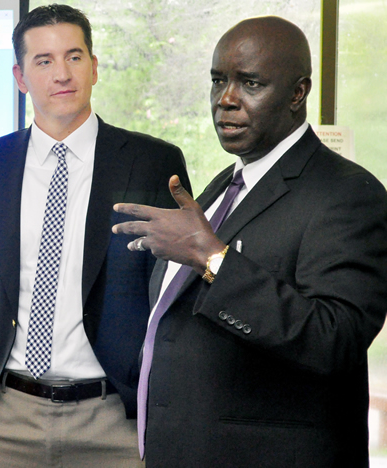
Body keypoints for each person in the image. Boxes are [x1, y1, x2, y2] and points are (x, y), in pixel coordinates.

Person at [112, 16, 387, 467]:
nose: (226, 100)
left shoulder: (346, 193)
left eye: (250, 84)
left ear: (298, 93)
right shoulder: (224, 186)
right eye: (219, 80)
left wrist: (213, 258)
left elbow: (333, 338)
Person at [0, 4, 190, 467]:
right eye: (43, 61)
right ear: (20, 76)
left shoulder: (153, 163)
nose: (62, 73)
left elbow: (172, 295)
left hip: (115, 421)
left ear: (94, 67)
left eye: (73, 56)